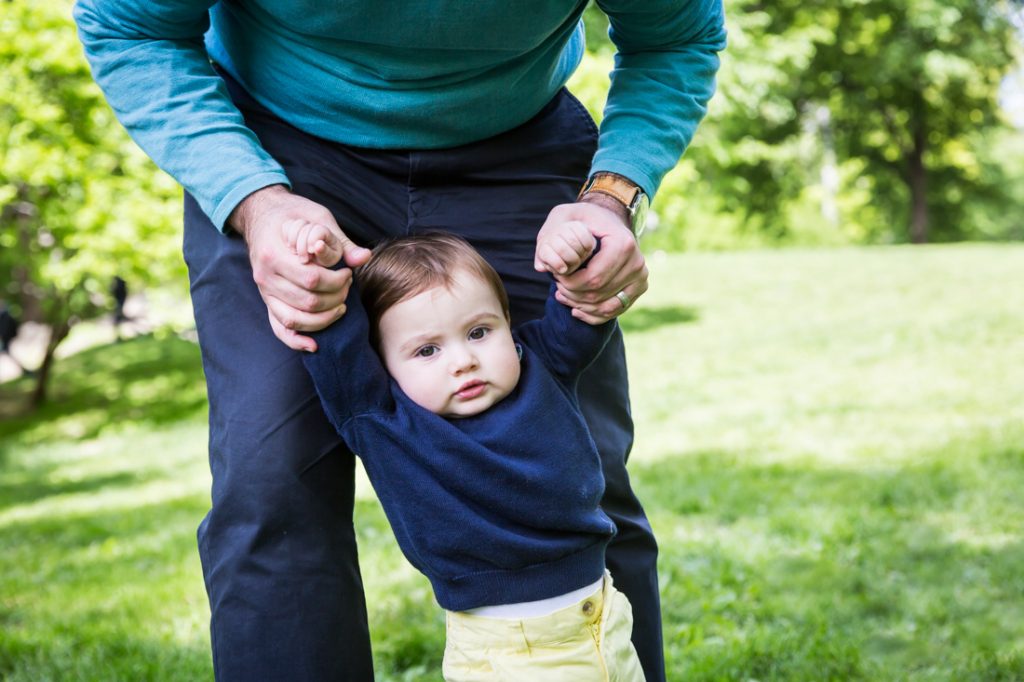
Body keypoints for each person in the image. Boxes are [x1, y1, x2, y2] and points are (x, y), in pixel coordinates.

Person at [74, 3, 726, 679]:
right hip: (279, 155)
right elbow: (128, 24)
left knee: (577, 467)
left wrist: (611, 198)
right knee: (272, 490)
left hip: (516, 143)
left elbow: (677, 38)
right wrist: (255, 199)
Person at [293, 226, 642, 680]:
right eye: (427, 350)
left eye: (478, 332)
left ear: (506, 319)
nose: (462, 361)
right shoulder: (384, 420)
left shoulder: (541, 364)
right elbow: (331, 336)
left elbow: (583, 302)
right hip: (508, 652)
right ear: (381, 364)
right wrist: (321, 264)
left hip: (607, 623)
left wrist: (576, 252)